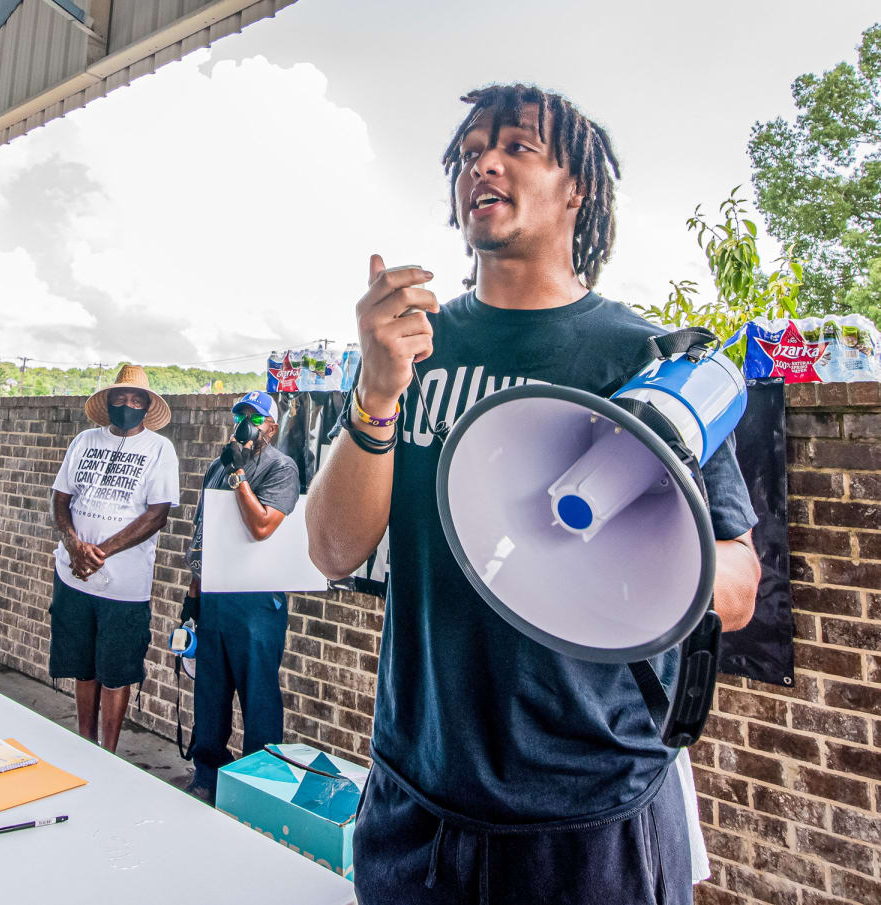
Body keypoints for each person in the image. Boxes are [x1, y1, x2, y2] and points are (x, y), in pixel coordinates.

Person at [304, 85, 761, 904]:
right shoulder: (411, 349)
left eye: (518, 145)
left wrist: (636, 557)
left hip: (592, 817)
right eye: (473, 149)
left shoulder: (652, 358)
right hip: (418, 802)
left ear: (577, 186)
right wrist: (376, 396)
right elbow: (333, 549)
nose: (485, 160)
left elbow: (738, 585)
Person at [48, 365, 180, 753]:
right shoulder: (85, 441)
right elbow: (61, 499)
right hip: (73, 577)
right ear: (108, 403)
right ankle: (84, 742)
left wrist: (100, 553)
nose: (127, 404)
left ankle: (108, 751)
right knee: (82, 666)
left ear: (146, 406)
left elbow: (157, 514)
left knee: (116, 672)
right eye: (120, 398)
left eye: (136, 399)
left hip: (124, 585)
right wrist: (74, 545)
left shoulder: (159, 449)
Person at [180, 391, 299, 801]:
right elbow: (203, 529)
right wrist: (192, 594)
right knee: (210, 691)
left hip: (255, 601)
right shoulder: (218, 464)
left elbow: (263, 526)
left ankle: (258, 786)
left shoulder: (281, 469)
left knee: (258, 693)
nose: (247, 422)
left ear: (272, 425)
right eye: (241, 414)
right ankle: (207, 774)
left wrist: (240, 477)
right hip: (214, 595)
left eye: (256, 417)